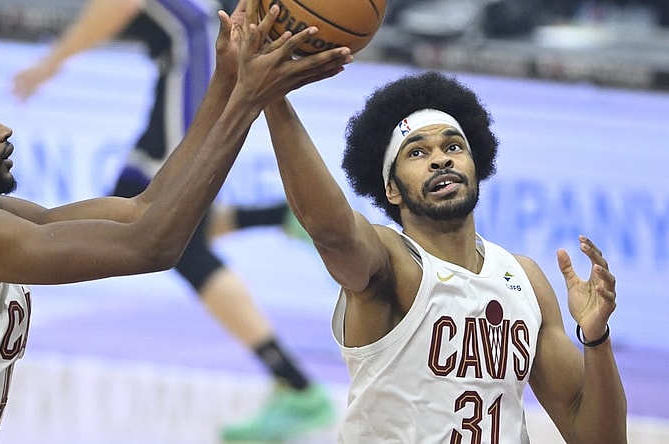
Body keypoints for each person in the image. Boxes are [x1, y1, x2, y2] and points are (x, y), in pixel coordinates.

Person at [0, 2, 353, 441]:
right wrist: (249, 102)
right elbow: (150, 247)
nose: (4, 130)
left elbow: (141, 210)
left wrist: (227, 81)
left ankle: (272, 221)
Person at [11, 0, 334, 441]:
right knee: (147, 214)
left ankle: (296, 387)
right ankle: (277, 216)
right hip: (182, 62)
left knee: (167, 234)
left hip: (194, 54)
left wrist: (51, 63)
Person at [261, 70, 627, 442]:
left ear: (475, 165)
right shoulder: (392, 260)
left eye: (453, 147)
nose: (441, 160)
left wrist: (596, 338)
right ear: (392, 189)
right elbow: (332, 231)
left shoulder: (524, 278)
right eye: (417, 152)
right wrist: (274, 100)